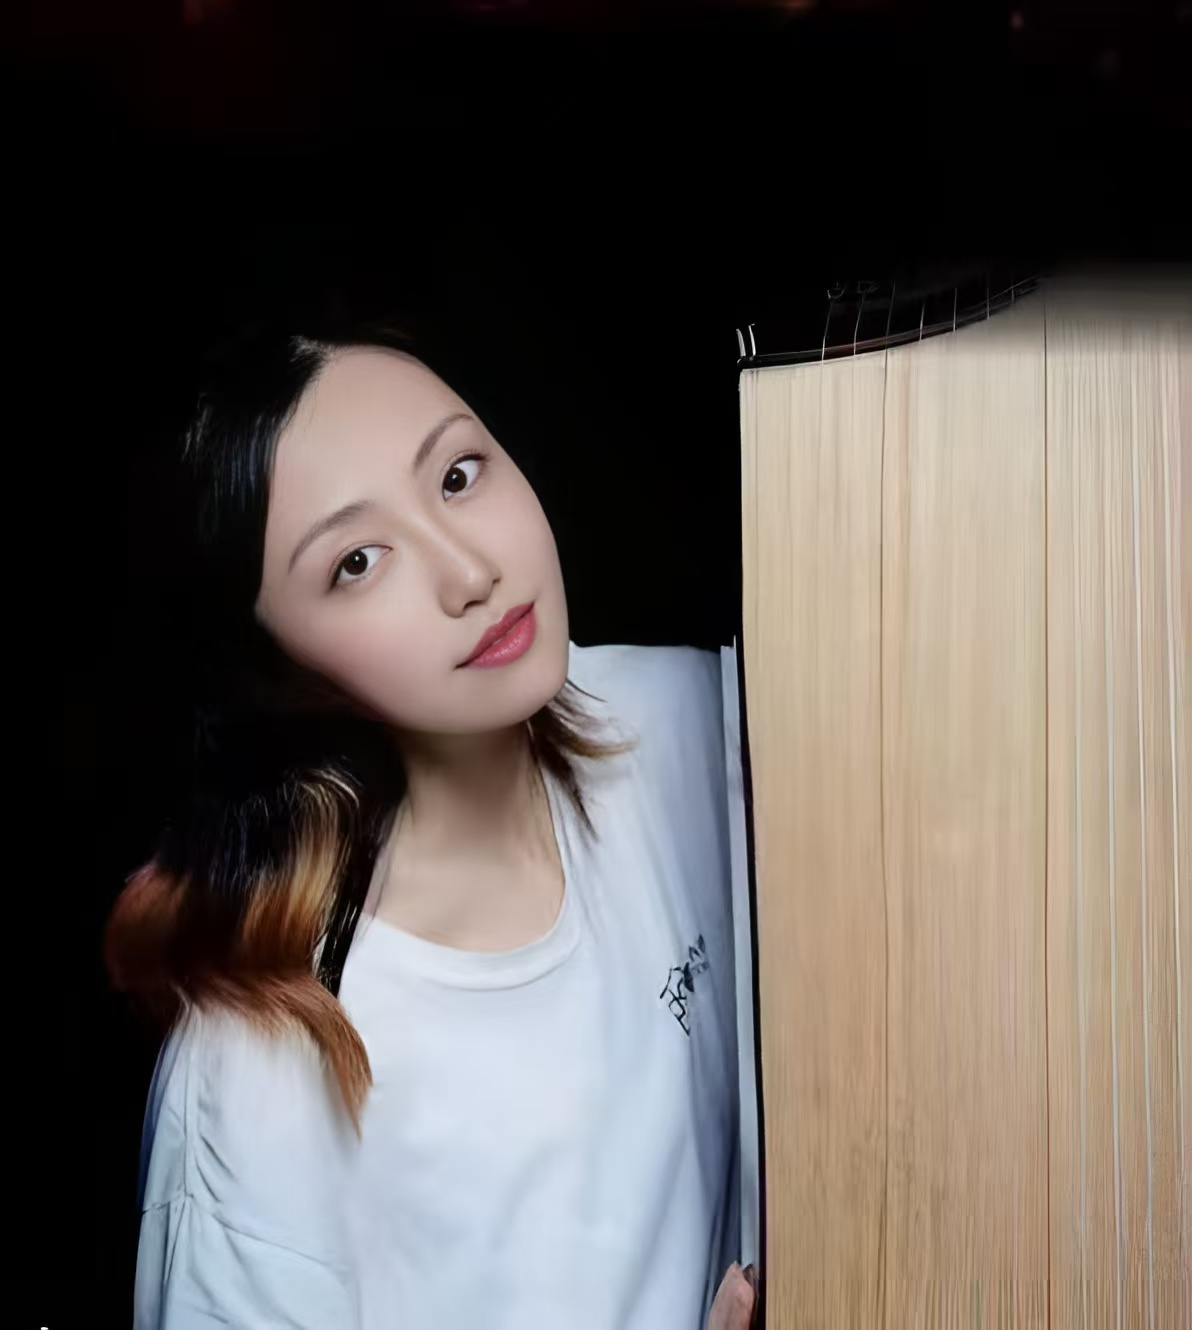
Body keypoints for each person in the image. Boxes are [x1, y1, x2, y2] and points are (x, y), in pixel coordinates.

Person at [107, 313, 757, 1329]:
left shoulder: (693, 725)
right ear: (276, 671)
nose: (468, 573)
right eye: (358, 561)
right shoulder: (264, 1069)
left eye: (457, 475)